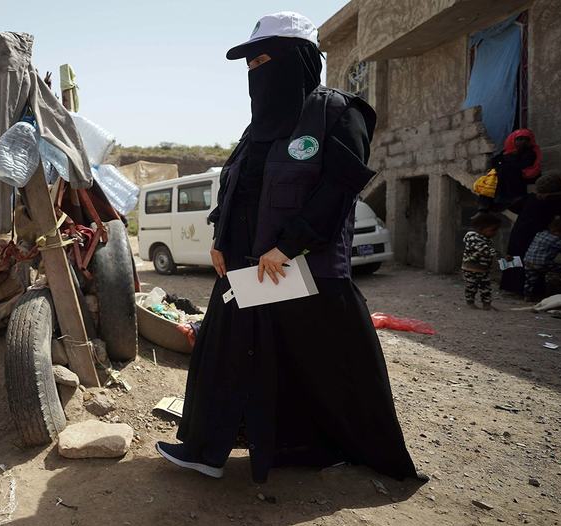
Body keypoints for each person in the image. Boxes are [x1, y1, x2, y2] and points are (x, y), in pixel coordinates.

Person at [155, 12, 421, 483]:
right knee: (225, 355)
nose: (256, 70)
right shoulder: (254, 130)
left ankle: (336, 449)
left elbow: (338, 192)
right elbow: (235, 189)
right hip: (248, 273)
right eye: (250, 63)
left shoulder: (339, 113)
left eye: (264, 58)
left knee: (330, 365)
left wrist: (288, 246)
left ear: (298, 60)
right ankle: (204, 449)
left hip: (308, 272)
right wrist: (220, 240)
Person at [501, 173, 561, 294]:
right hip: (532, 234)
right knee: (530, 262)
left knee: (512, 256)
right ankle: (526, 290)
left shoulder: (532, 197)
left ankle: (507, 285)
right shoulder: (551, 201)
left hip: (518, 230)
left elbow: (514, 207)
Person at [523, 217, 561, 301]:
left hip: (528, 261)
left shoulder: (541, 233)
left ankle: (527, 295)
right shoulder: (555, 239)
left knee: (530, 280)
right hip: (542, 263)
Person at [485, 129, 542, 211]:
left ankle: (504, 199)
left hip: (526, 175)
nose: (523, 142)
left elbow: (523, 165)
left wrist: (509, 160)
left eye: (526, 139)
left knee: (506, 170)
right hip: (509, 175)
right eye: (520, 139)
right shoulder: (507, 152)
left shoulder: (530, 152)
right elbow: (496, 161)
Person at [462, 214, 502, 310]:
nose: (495, 233)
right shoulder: (473, 237)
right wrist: (500, 255)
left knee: (486, 287)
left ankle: (487, 304)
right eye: (493, 230)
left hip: (483, 269)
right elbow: (483, 250)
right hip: (471, 268)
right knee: (471, 286)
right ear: (481, 228)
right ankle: (470, 302)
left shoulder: (487, 239)